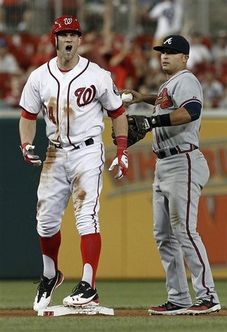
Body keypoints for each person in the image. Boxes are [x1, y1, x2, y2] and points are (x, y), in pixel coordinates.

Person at [18, 15, 128, 312]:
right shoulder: (39, 76)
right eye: (63, 34)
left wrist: (120, 149)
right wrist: (26, 144)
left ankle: (89, 285)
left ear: (80, 40)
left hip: (87, 152)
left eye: (73, 34)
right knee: (45, 222)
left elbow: (118, 113)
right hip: (55, 152)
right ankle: (50, 275)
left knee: (86, 217)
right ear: (54, 39)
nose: (68, 39)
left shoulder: (98, 74)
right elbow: (27, 116)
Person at [123, 35, 221, 315]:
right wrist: (144, 99)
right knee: (164, 234)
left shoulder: (187, 79)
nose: (165, 56)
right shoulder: (170, 84)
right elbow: (167, 103)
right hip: (164, 164)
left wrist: (152, 120)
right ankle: (178, 298)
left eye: (172, 52)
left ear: (185, 58)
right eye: (163, 51)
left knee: (185, 231)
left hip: (183, 160)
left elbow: (191, 111)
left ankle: (208, 296)